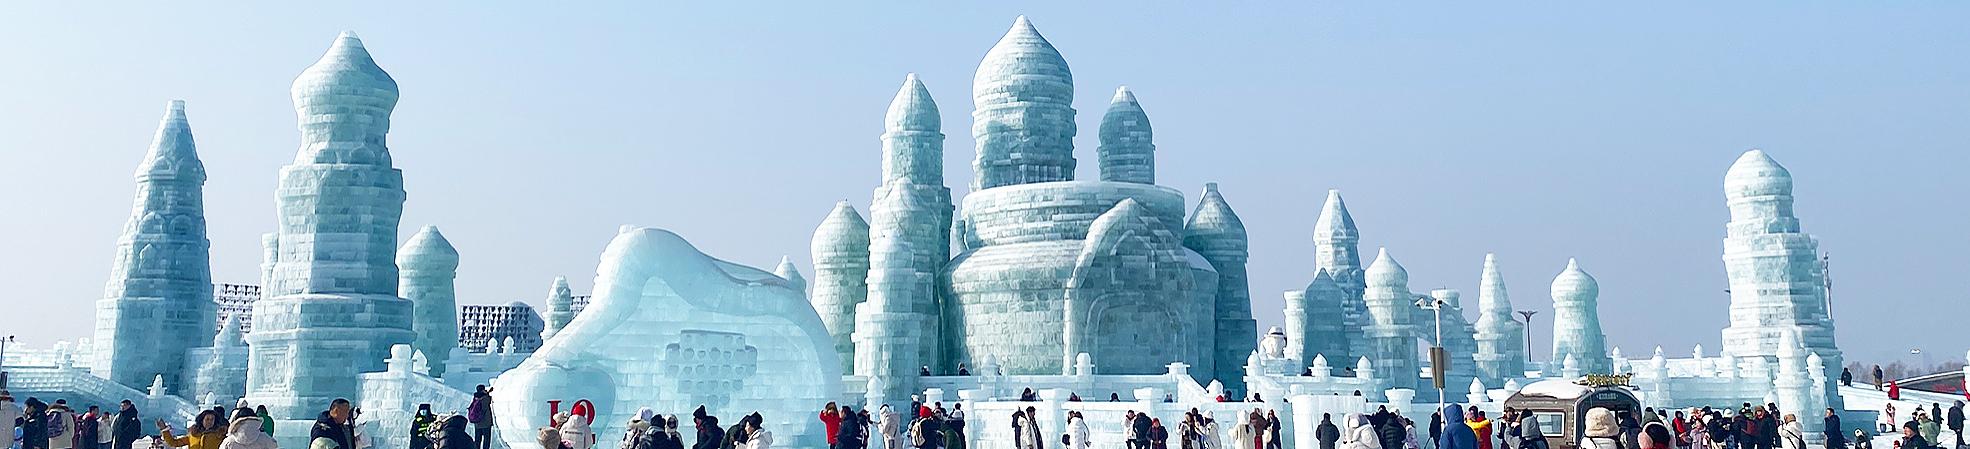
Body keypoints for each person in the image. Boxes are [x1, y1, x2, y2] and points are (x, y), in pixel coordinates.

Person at [159, 409, 225, 449]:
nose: (210, 421)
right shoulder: (193, 435)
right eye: (207, 419)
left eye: (212, 419)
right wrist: (164, 430)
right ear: (202, 420)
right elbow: (173, 442)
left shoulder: (219, 435)